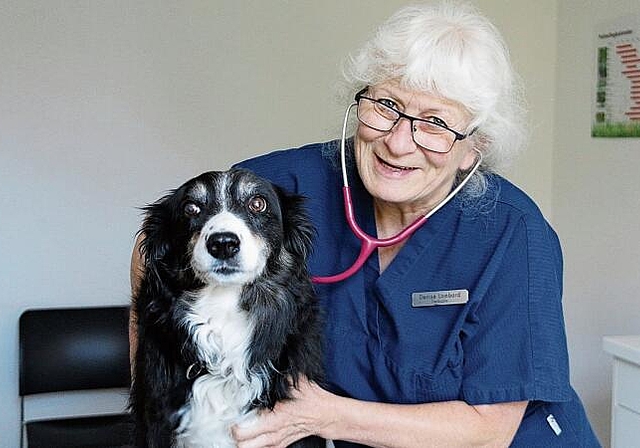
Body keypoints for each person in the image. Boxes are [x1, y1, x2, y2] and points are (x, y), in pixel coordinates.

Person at [131, 2, 600, 447]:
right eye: (387, 106)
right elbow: (159, 243)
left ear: (473, 148)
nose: (398, 142)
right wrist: (161, 390)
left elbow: (488, 429)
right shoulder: (290, 185)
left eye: (435, 123)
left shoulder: (511, 233)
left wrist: (321, 415)